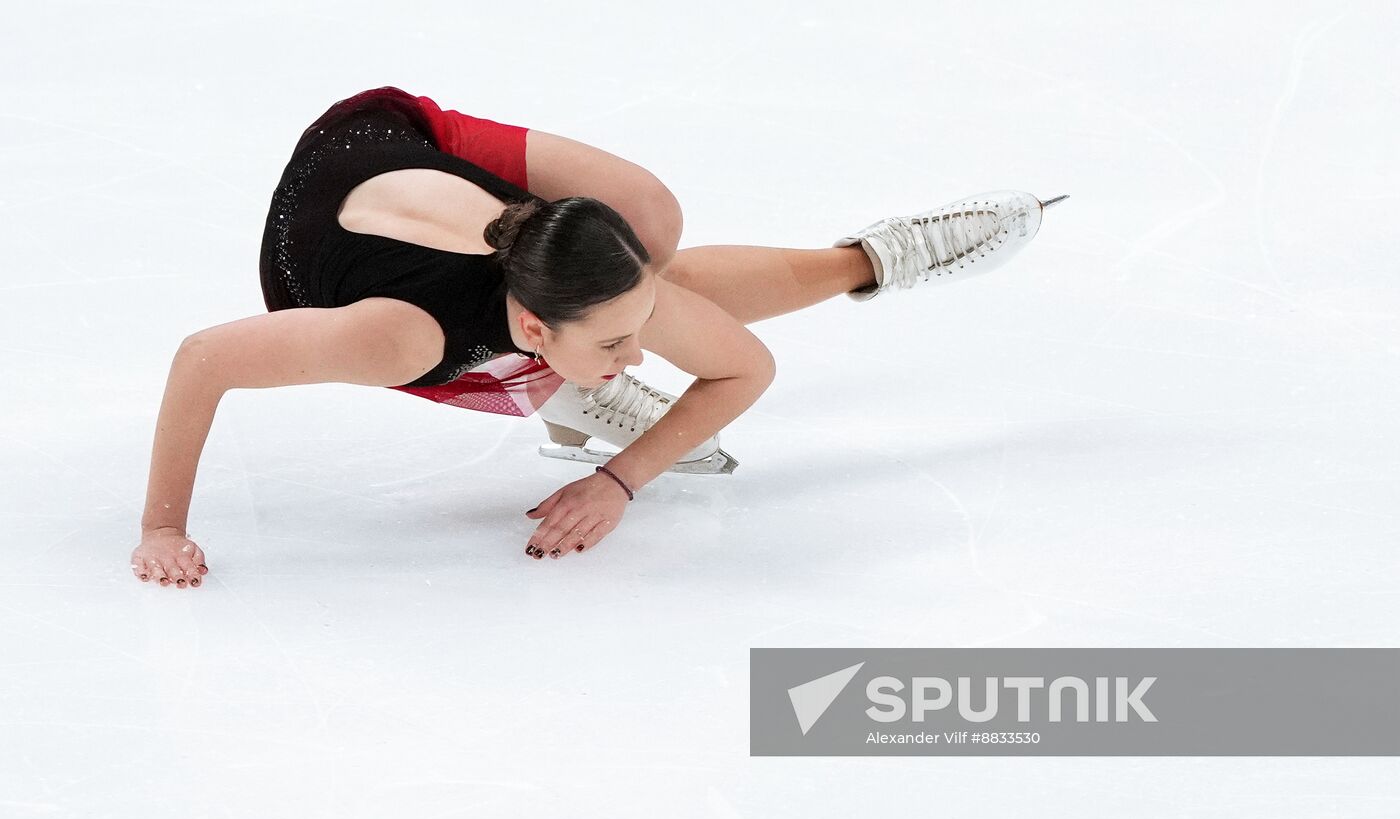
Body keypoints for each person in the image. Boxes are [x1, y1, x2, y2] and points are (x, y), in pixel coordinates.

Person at [129, 85, 1065, 589]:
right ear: (533, 324)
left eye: (630, 337)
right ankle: (551, 387)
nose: (642, 355)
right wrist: (162, 529)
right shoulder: (395, 339)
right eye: (617, 347)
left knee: (652, 222)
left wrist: (621, 479)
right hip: (327, 238)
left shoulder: (563, 270)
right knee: (543, 354)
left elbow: (744, 367)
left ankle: (875, 258)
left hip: (398, 145)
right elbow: (204, 358)